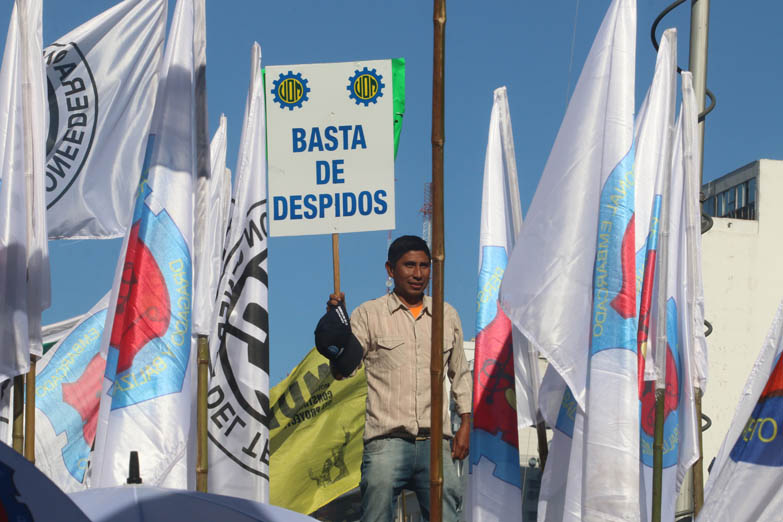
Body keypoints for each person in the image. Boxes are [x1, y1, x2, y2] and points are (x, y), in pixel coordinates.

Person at [325, 235, 471, 522]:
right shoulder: (369, 314)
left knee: (448, 516)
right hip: (386, 441)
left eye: (424, 266)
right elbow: (343, 370)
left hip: (436, 443)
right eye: (409, 266)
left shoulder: (446, 313)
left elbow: (460, 372)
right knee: (376, 515)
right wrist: (335, 326)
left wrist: (465, 422)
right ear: (390, 270)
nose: (418, 274)